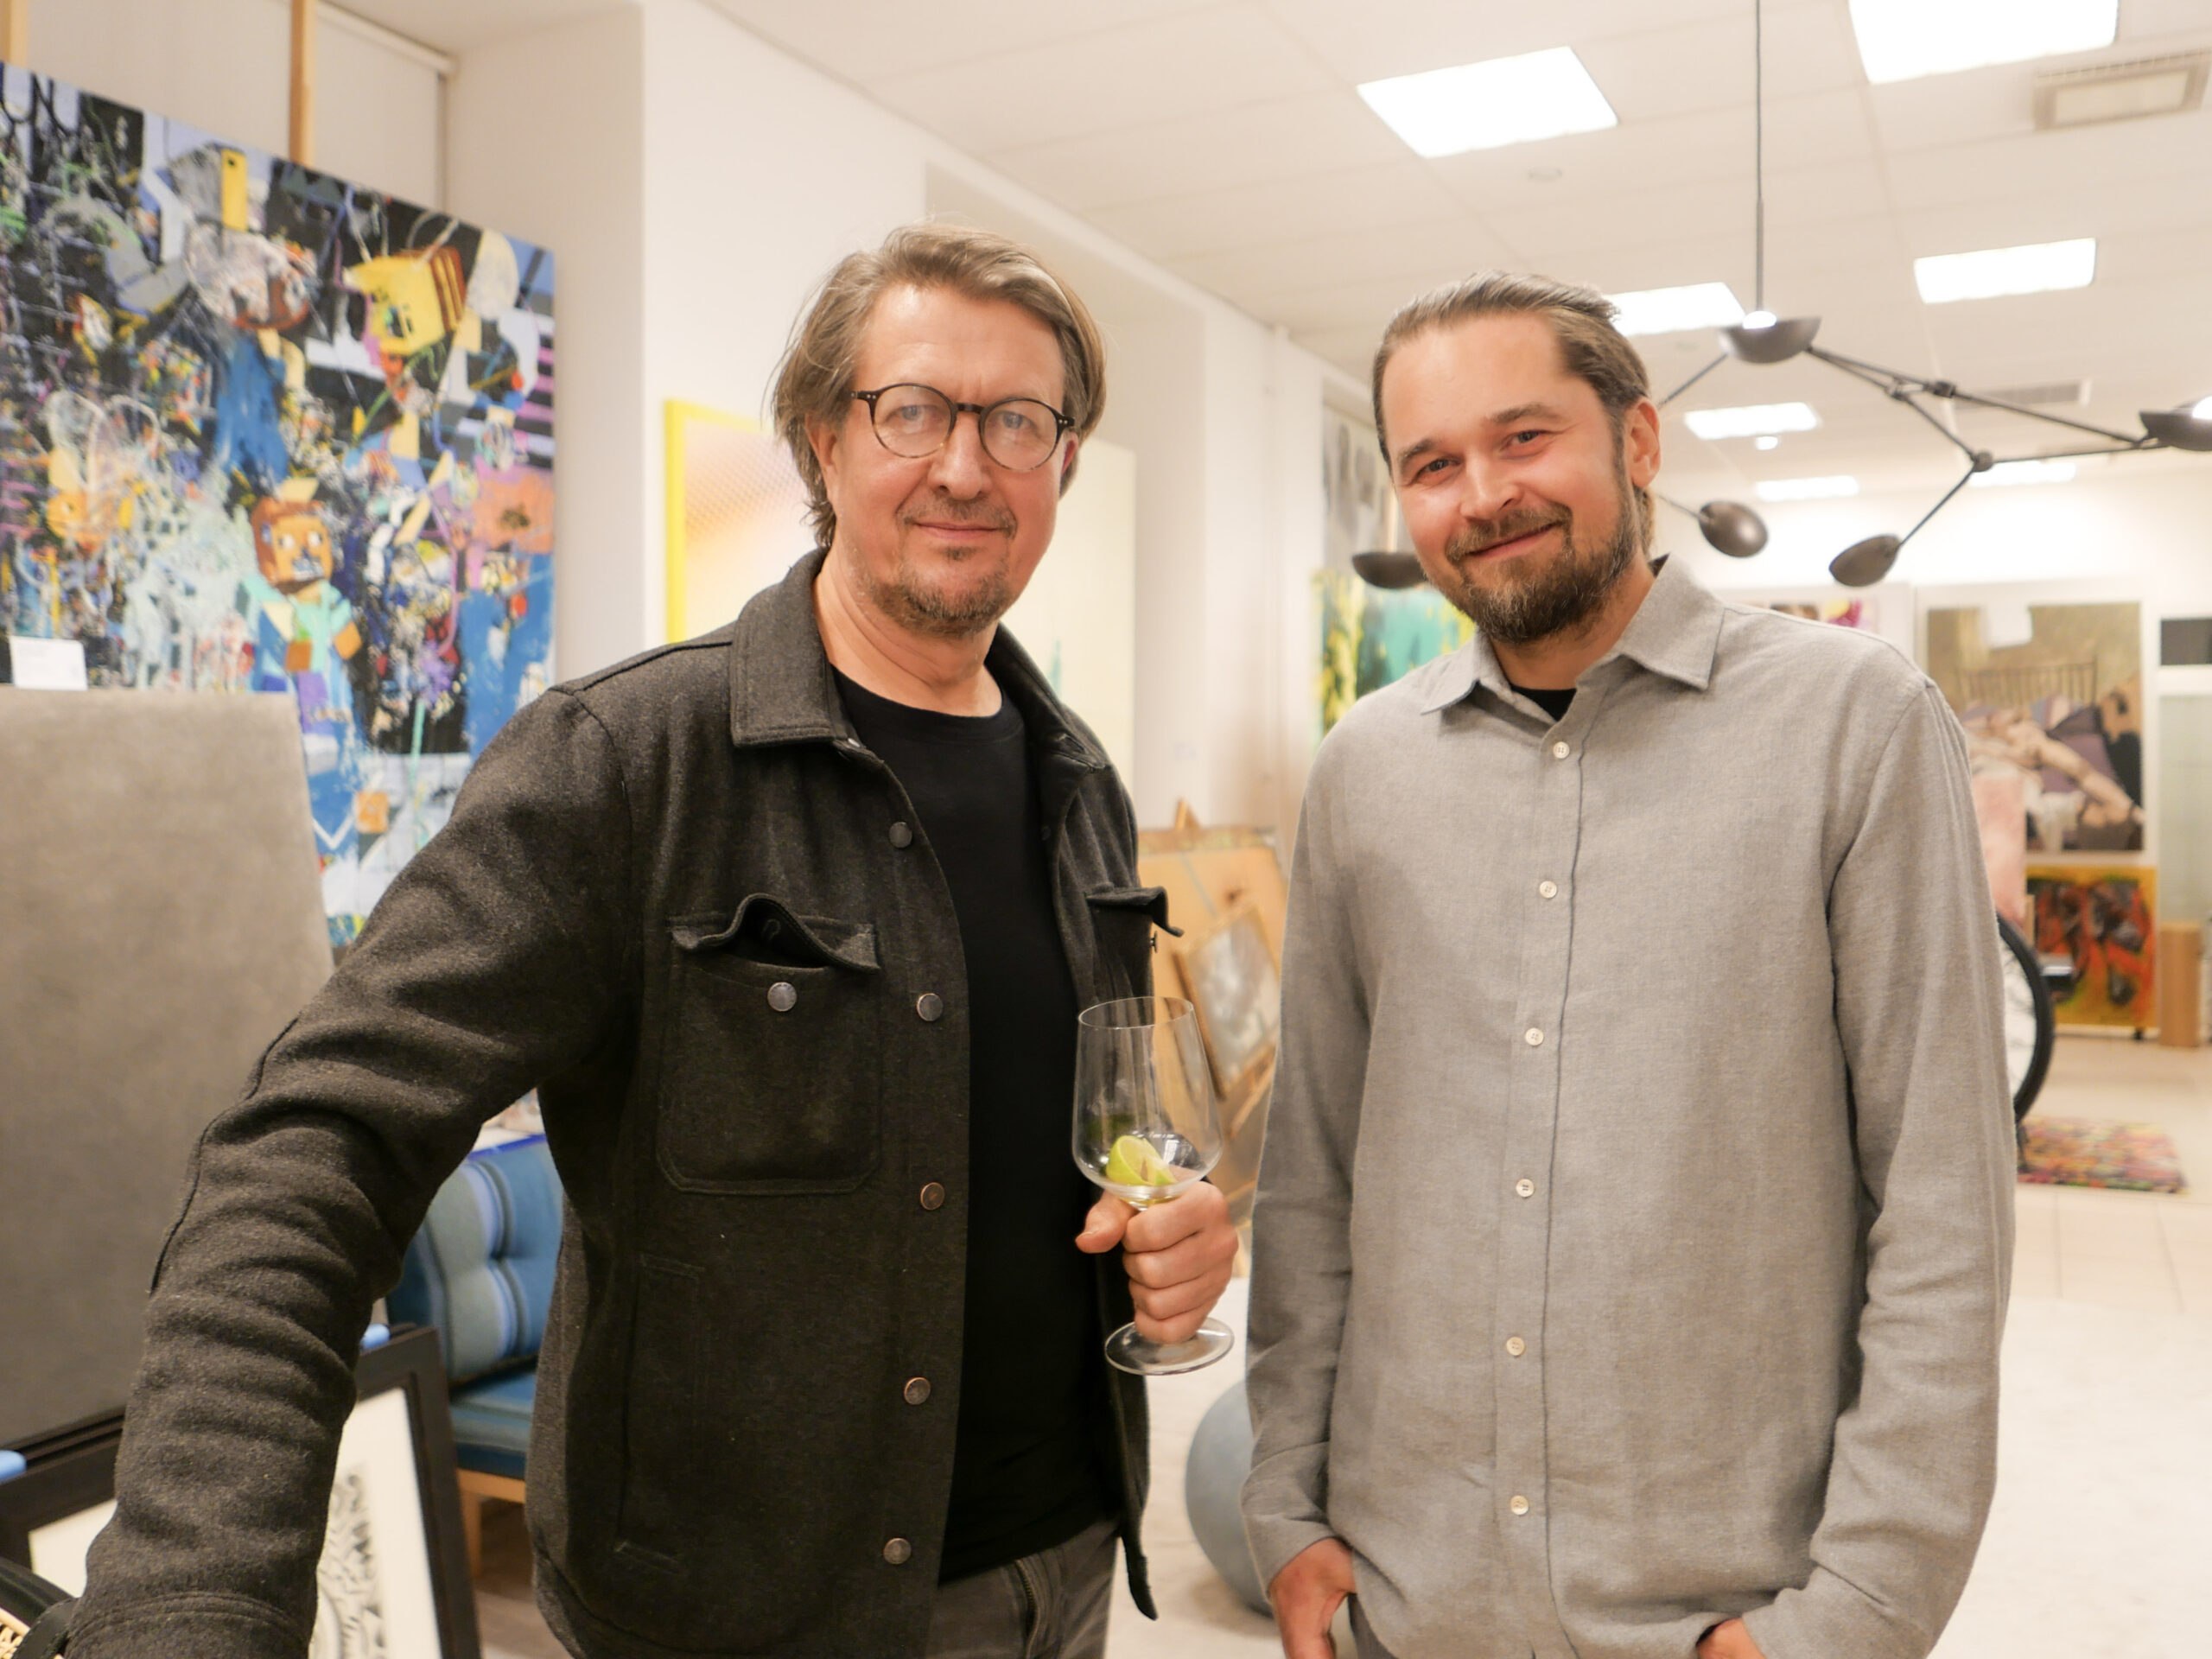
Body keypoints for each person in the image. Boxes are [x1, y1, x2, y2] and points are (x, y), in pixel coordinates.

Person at [62, 223, 1236, 1659]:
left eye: (1018, 421)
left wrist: (1164, 1236)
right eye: (913, 410)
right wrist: (193, 1605)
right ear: (824, 438)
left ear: (1063, 460)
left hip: (1066, 1563)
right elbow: (310, 1154)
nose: (964, 465)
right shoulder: (627, 763)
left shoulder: (1082, 785)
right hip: (742, 1621)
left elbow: (1055, 1137)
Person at [1243, 272, 2014, 1659]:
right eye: (1432, 463)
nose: (1484, 494)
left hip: (1727, 1612)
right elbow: (1312, 1172)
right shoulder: (1364, 770)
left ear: (1638, 441)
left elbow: (1945, 1199)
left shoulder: (1856, 726)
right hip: (1407, 1602)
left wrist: (1855, 1616)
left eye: (1524, 437)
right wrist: (1285, 1512)